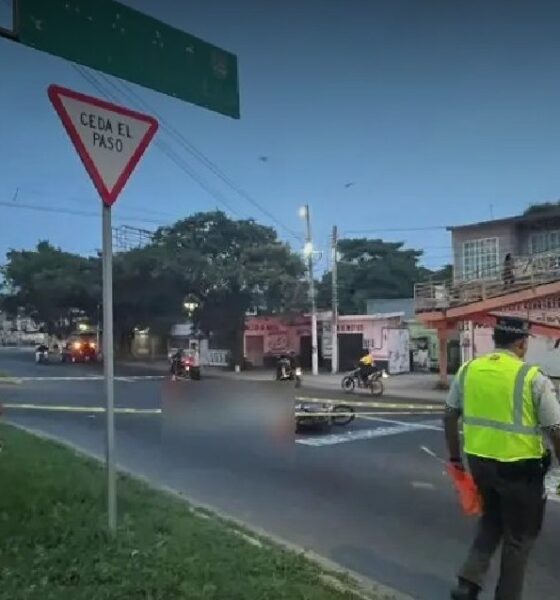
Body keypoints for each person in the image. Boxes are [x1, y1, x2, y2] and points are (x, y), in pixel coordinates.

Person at [444, 316, 560, 600]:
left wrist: (456, 460)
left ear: (496, 341)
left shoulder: (469, 370)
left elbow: (449, 415)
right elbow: (555, 429)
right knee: (518, 539)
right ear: (521, 343)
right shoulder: (532, 377)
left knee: (492, 522)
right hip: (521, 472)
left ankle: (467, 585)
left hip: (480, 464)